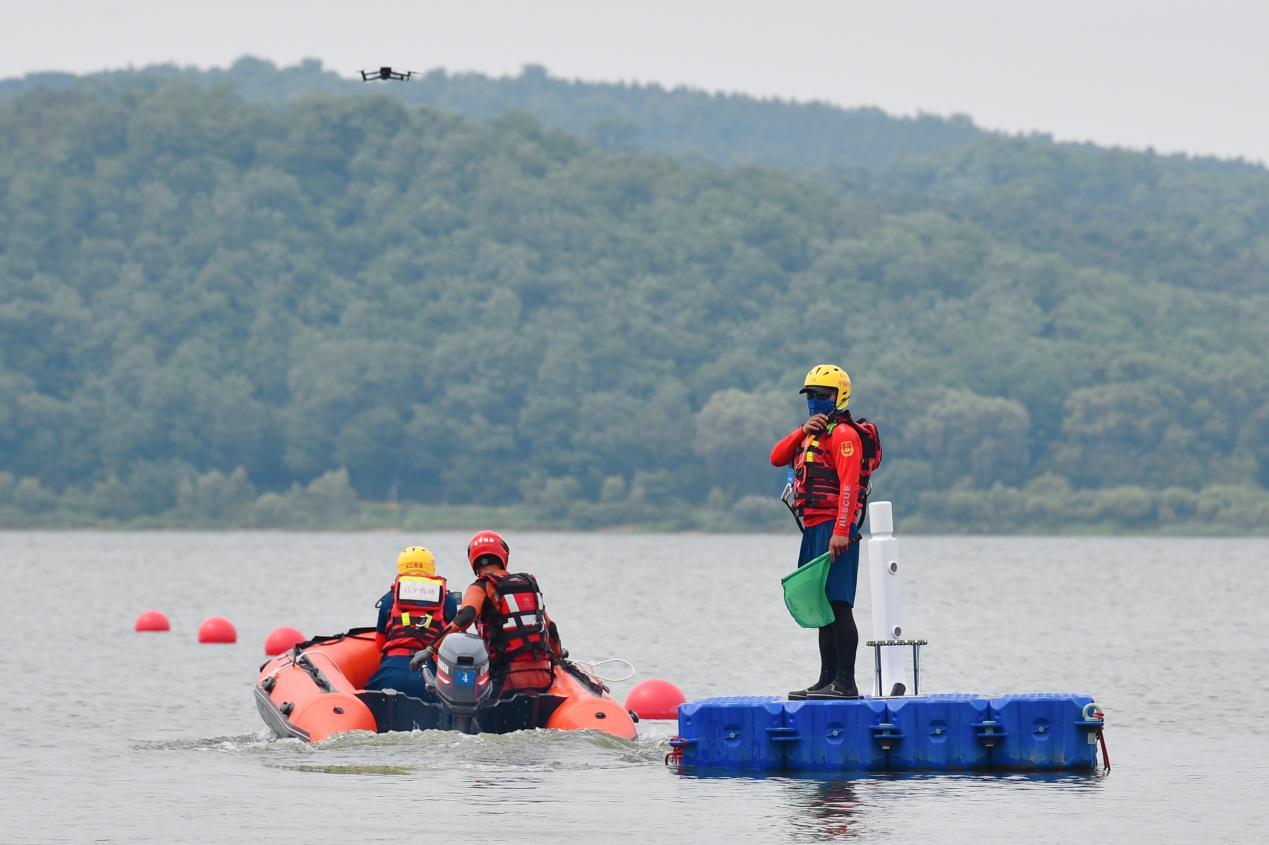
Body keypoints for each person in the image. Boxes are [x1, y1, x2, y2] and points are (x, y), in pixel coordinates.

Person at [770, 364, 881, 699]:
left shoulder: (845, 436)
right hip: (814, 528)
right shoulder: (812, 434)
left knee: (838, 604)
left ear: (840, 395)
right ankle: (825, 680)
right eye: (811, 396)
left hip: (836, 529)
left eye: (823, 395)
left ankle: (845, 682)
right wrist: (802, 431)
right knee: (821, 605)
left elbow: (849, 486)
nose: (816, 401)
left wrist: (842, 529)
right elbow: (777, 457)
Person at [421, 530, 564, 698]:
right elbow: (550, 627)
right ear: (503, 554)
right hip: (542, 676)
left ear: (473, 561)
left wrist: (430, 649)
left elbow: (466, 616)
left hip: (506, 679)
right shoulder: (528, 584)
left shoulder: (481, 586)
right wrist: (559, 656)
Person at [364, 546, 457, 699]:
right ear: (431, 568)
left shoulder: (389, 599)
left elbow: (379, 645)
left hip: (391, 672)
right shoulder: (449, 602)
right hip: (429, 676)